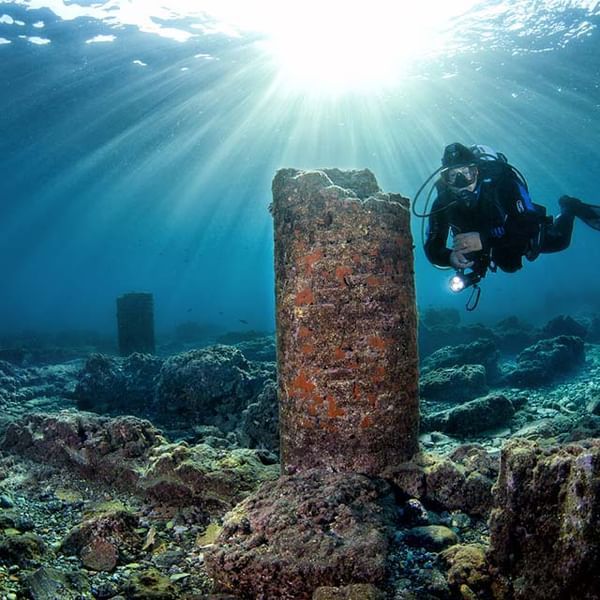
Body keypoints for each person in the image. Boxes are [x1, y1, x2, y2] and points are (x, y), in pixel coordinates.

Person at [424, 142, 600, 277]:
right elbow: (432, 247)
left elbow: (529, 224)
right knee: (502, 262)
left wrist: (484, 240)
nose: (462, 182)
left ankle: (569, 207)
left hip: (512, 233)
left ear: (477, 171)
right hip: (487, 243)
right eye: (453, 176)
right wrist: (449, 258)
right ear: (445, 180)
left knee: (559, 242)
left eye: (467, 173)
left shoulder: (502, 183)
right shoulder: (442, 202)